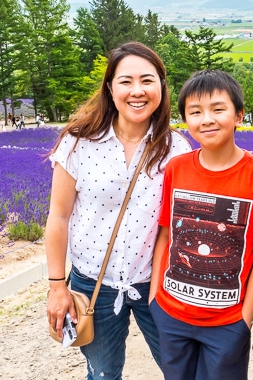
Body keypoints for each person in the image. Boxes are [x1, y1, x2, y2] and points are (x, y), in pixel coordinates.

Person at [45, 42, 192, 380]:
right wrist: (56, 287)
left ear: (161, 87)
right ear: (110, 88)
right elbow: (59, 216)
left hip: (156, 284)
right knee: (102, 374)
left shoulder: (177, 150)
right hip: (93, 282)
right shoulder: (79, 142)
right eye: (126, 81)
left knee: (182, 371)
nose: (136, 91)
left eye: (147, 80)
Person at [148, 70, 253, 380]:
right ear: (185, 120)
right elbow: (166, 235)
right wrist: (155, 298)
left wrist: (244, 319)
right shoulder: (177, 168)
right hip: (171, 313)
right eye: (195, 112)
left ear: (239, 115)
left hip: (227, 323)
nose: (206, 119)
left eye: (218, 109)